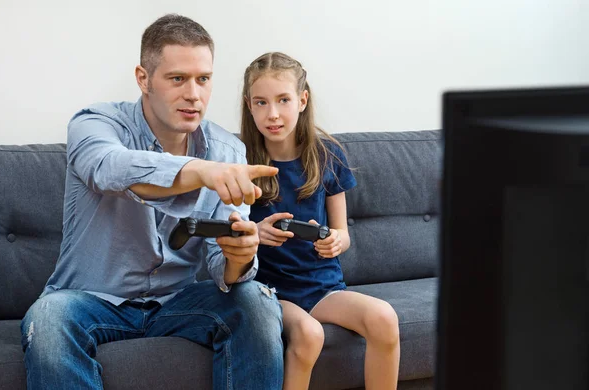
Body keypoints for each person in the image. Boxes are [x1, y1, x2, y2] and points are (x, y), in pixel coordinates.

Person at [20, 14, 284, 390]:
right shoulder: (95, 124)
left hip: (178, 302)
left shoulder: (228, 150)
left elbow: (220, 268)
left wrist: (238, 256)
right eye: (178, 78)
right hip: (90, 300)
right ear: (143, 78)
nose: (194, 94)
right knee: (47, 319)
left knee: (256, 300)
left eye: (203, 79)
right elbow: (110, 169)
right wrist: (200, 170)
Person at [240, 52, 401, 390]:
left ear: (302, 100)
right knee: (309, 335)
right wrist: (258, 232)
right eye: (261, 102)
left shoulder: (328, 155)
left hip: (322, 287)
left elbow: (342, 233)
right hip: (270, 291)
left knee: (384, 317)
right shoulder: (239, 161)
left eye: (283, 100)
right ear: (249, 105)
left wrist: (335, 240)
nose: (273, 114)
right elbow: (231, 233)